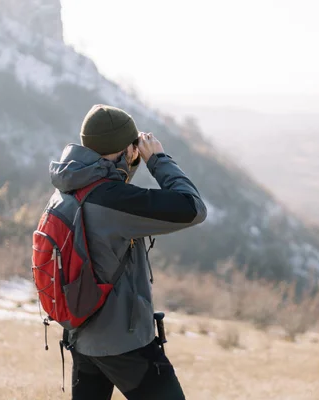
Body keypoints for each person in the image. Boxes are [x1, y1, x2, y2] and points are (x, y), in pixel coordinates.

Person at [48, 105, 207, 399]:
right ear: (125, 148)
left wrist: (124, 161)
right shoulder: (112, 200)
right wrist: (158, 160)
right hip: (124, 344)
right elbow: (192, 208)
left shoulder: (69, 187)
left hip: (81, 335)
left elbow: (110, 201)